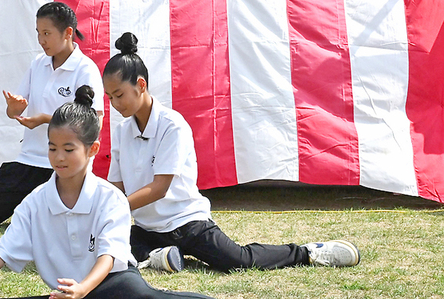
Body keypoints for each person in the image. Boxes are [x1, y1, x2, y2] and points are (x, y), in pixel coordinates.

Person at [104, 31, 361, 273]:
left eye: (119, 95)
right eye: (109, 98)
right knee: (104, 243)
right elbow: (116, 187)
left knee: (237, 261)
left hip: (187, 224)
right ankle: (161, 254)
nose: (115, 104)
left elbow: (160, 187)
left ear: (140, 84)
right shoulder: (121, 131)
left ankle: (307, 253)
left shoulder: (172, 125)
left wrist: (116, 208)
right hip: (147, 228)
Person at [0, 87, 215, 299]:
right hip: (67, 293)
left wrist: (84, 288)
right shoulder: (34, 202)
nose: (58, 157)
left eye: (68, 149)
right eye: (52, 148)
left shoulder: (111, 199)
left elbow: (108, 257)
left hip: (117, 288)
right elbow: (4, 252)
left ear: (92, 149)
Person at [0, 2, 103, 227]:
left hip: (64, 164)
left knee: (58, 222)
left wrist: (45, 120)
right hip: (30, 160)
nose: (41, 40)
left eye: (47, 33)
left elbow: (93, 122)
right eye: (39, 33)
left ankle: (44, 207)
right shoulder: (38, 64)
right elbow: (15, 111)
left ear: (68, 33)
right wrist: (14, 108)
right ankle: (36, 207)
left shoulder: (85, 69)